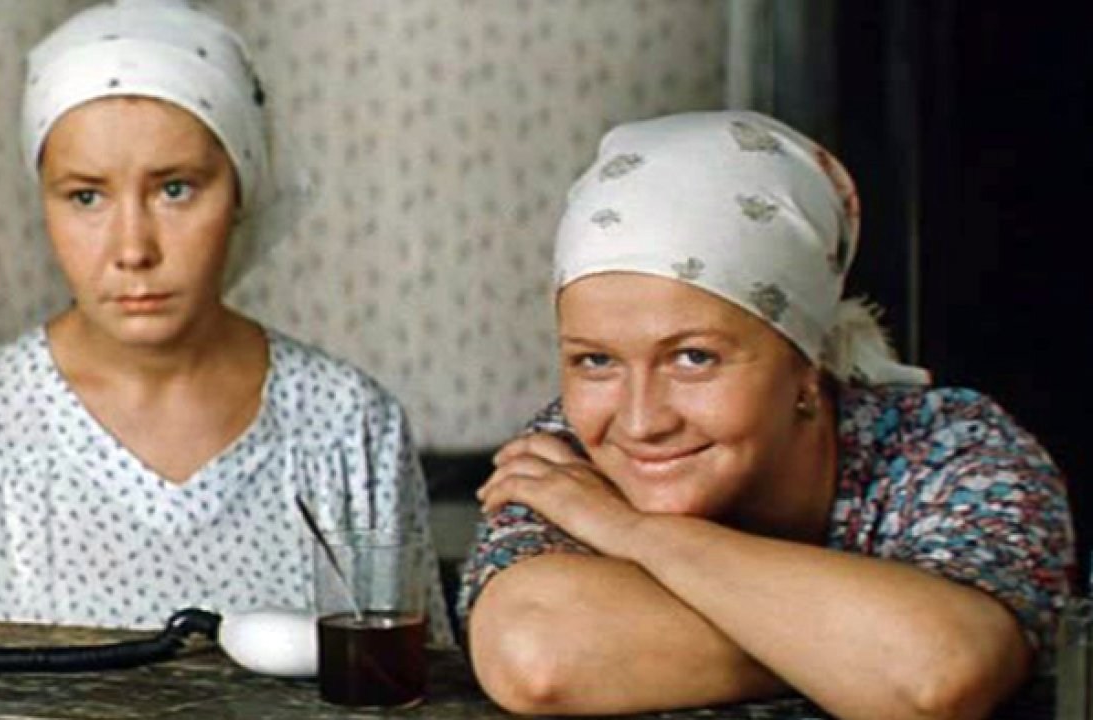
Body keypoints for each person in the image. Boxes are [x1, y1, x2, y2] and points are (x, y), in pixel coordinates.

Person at [0, 0, 451, 669]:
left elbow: (414, 684)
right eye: (86, 196)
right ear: (43, 199)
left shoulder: (348, 426)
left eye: (175, 189)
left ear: (241, 188)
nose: (133, 248)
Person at [458, 111, 1073, 719]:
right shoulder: (563, 458)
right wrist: (862, 654)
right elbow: (538, 656)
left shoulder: (952, 447)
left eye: (694, 358)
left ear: (808, 367)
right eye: (595, 361)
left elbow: (937, 676)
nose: (641, 421)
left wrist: (631, 531)